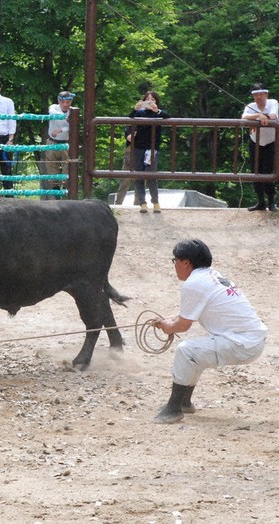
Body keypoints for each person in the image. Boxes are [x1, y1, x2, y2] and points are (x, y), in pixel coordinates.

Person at [153, 239, 267, 424]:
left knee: (186, 350)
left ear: (186, 262)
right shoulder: (210, 276)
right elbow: (186, 315)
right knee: (195, 355)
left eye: (174, 260)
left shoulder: (193, 284)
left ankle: (173, 409)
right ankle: (184, 402)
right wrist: (167, 320)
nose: (174, 264)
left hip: (243, 344)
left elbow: (183, 325)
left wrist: (167, 326)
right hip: (251, 340)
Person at [128, 90, 170, 213]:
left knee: (151, 175)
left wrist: (157, 110)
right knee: (139, 175)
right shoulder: (139, 113)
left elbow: (168, 116)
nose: (150, 102)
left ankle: (155, 202)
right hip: (138, 147)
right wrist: (135, 109)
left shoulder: (159, 113)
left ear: (156, 101)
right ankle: (142, 203)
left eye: (153, 99)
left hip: (152, 148)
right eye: (148, 99)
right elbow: (129, 120)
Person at [241, 82, 278, 211]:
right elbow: (244, 117)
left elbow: (273, 116)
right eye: (256, 95)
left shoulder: (273, 103)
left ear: (266, 94)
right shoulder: (251, 106)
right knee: (255, 171)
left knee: (268, 172)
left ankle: (272, 201)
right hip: (255, 142)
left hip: (271, 142)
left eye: (262, 94)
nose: (259, 97)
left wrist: (264, 116)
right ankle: (260, 201)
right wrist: (258, 115)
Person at [41, 90, 74, 200]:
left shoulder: (73, 112)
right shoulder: (54, 108)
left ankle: (66, 196)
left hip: (66, 143)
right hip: (52, 141)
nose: (65, 105)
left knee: (67, 170)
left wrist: (61, 129)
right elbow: (53, 114)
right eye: (63, 102)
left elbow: (74, 126)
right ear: (59, 101)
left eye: (68, 102)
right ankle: (56, 198)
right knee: (51, 169)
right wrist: (66, 118)